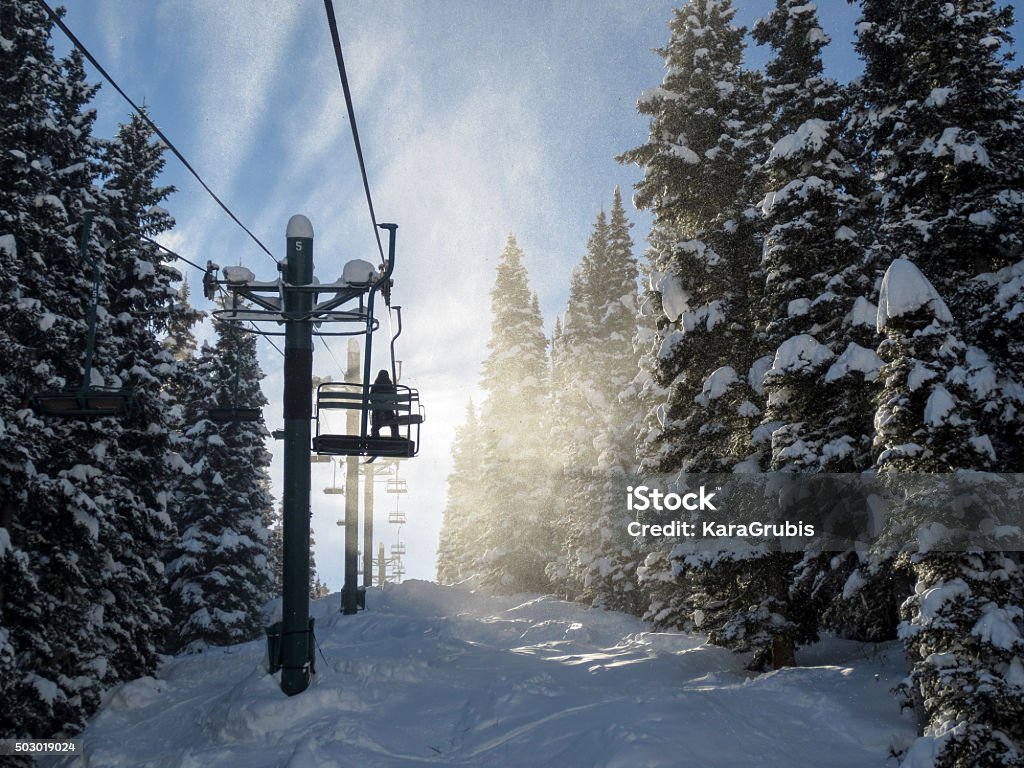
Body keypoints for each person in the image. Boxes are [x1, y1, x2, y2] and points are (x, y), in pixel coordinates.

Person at [370, 369, 400, 439]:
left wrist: (379, 404)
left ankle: (375, 438)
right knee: (394, 425)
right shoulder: (390, 387)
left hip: (377, 414)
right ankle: (395, 437)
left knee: (375, 427)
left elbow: (372, 399)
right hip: (388, 413)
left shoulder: (374, 387)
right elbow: (394, 399)